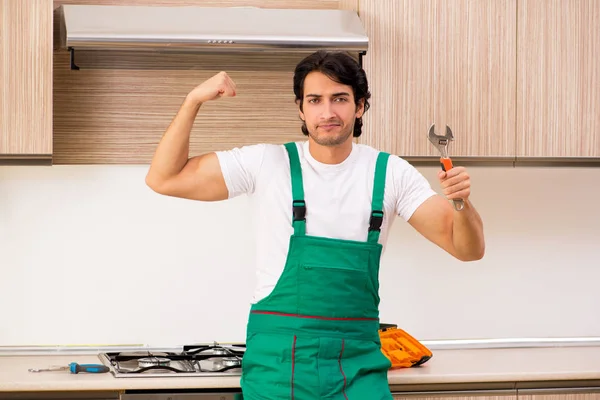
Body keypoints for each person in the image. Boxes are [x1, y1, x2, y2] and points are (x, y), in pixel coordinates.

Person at [145, 50, 485, 400]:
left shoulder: (391, 173)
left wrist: (461, 203)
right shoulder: (267, 163)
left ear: (360, 106)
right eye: (315, 100)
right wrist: (192, 101)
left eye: (339, 98)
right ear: (301, 109)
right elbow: (164, 178)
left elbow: (468, 249)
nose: (327, 112)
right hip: (278, 362)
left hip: (358, 364)